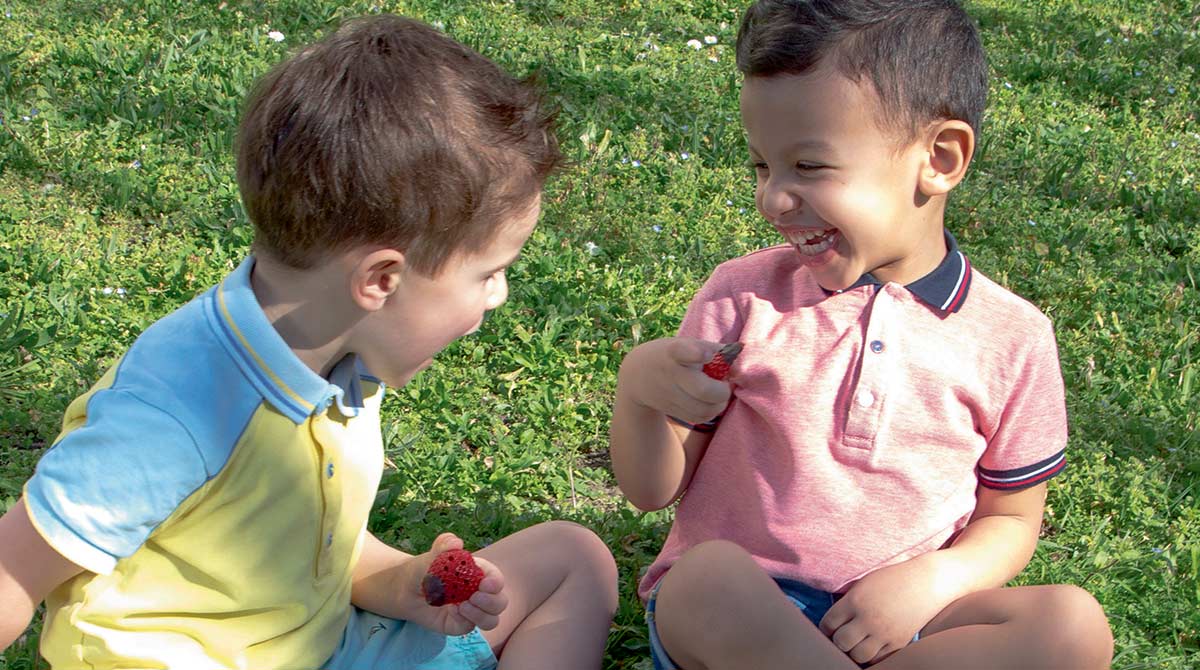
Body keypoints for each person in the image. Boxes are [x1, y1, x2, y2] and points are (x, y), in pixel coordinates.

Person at [0, 15, 617, 670]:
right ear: (381, 280)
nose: (498, 297)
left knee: (572, 560)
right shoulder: (178, 409)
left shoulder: (344, 366)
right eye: (488, 274)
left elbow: (325, 553)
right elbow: (14, 570)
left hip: (327, 649)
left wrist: (407, 584)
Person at [609, 1, 1114, 668]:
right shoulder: (743, 296)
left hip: (901, 625)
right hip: (748, 613)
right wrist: (640, 392)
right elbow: (653, 490)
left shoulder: (1013, 338)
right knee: (705, 581)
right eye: (762, 166)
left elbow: (1011, 519)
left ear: (939, 157)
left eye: (809, 167)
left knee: (1073, 627)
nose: (773, 198)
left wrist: (931, 582)